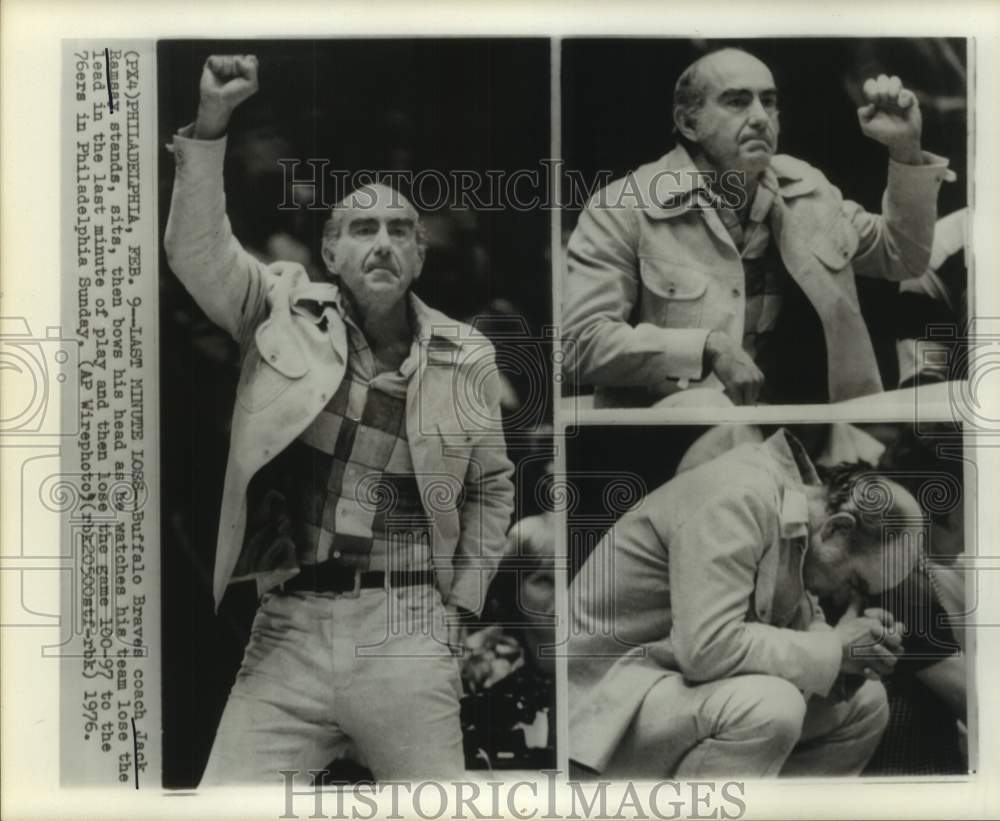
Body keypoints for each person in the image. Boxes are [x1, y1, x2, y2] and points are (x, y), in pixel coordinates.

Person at [163, 54, 515, 783]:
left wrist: (459, 606)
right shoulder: (279, 307)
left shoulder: (462, 351)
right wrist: (213, 123)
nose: (381, 241)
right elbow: (194, 250)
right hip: (288, 626)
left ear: (419, 255)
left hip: (407, 625)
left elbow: (492, 488)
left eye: (398, 229)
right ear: (330, 250)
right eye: (361, 228)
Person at [562, 47, 956, 408]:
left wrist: (905, 149)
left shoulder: (809, 190)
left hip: (803, 428)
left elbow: (902, 256)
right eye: (736, 101)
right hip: (670, 440)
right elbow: (577, 346)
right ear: (688, 122)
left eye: (769, 102)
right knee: (705, 405)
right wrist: (705, 348)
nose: (759, 117)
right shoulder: (623, 206)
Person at [568, 428, 923, 778]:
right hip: (603, 705)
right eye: (854, 581)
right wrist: (835, 647)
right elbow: (707, 650)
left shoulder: (797, 511)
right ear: (837, 529)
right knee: (771, 706)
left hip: (664, 691)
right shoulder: (740, 495)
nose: (845, 596)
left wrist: (849, 664)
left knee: (866, 704)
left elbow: (793, 632)